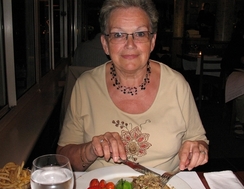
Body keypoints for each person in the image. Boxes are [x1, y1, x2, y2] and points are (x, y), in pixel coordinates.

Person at [57, 0, 209, 172]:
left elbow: (198, 139)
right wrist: (91, 149)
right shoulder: (85, 86)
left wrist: (197, 149)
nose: (130, 44)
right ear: (105, 44)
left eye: (140, 34)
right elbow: (64, 157)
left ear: (152, 41)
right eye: (118, 35)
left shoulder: (176, 84)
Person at [221, 10, 244, 139]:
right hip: (237, 71)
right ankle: (240, 120)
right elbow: (227, 62)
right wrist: (240, 60)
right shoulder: (237, 41)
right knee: (241, 87)